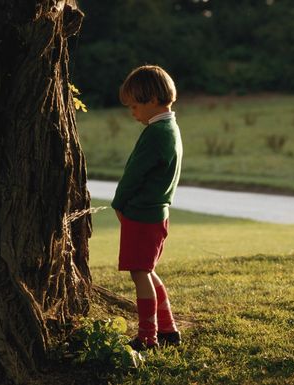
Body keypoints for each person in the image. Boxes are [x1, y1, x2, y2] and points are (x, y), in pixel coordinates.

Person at [111, 65, 183, 351]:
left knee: (140, 274)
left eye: (135, 106)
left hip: (142, 214)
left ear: (152, 99)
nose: (133, 114)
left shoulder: (156, 133)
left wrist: (119, 202)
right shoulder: (170, 128)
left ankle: (147, 337)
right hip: (156, 213)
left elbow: (134, 174)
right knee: (148, 271)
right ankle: (169, 330)